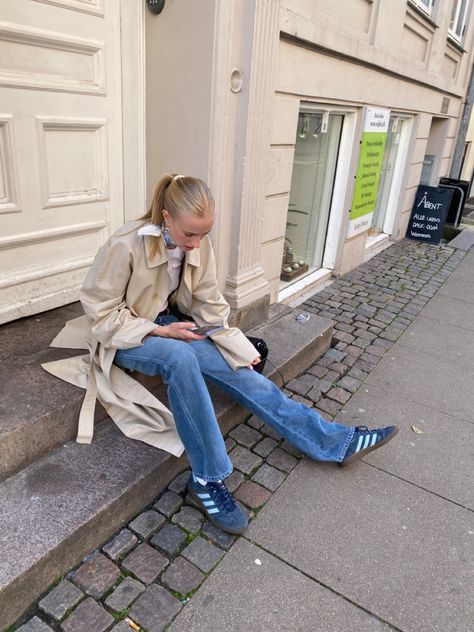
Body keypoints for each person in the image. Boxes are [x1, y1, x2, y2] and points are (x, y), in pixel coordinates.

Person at [43, 174, 398, 536]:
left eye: (203, 234)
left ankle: (333, 441)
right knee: (178, 359)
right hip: (128, 337)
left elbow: (210, 303)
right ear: (166, 217)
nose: (196, 244)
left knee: (241, 373)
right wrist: (159, 331)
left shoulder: (197, 245)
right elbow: (100, 314)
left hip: (174, 325)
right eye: (189, 235)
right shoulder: (126, 244)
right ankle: (207, 479)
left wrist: (236, 348)